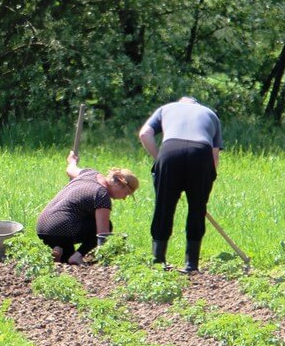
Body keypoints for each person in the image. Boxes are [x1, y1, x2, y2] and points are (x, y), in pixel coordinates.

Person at [138, 96, 223, 273]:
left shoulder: (166, 108)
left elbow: (144, 134)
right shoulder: (210, 114)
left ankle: (158, 260)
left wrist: (159, 159)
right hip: (201, 153)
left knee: (164, 207)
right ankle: (191, 265)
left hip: (170, 151)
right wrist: (207, 180)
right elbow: (214, 157)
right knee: (197, 209)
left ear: (181, 102)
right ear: (196, 104)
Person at [37, 151, 139, 265]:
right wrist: (109, 257)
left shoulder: (90, 173)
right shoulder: (102, 195)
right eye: (126, 193)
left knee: (65, 260)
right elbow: (102, 235)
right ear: (120, 184)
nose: (124, 198)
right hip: (62, 228)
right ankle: (77, 256)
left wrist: (72, 160)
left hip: (43, 227)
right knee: (107, 225)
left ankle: (58, 248)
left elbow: (70, 170)